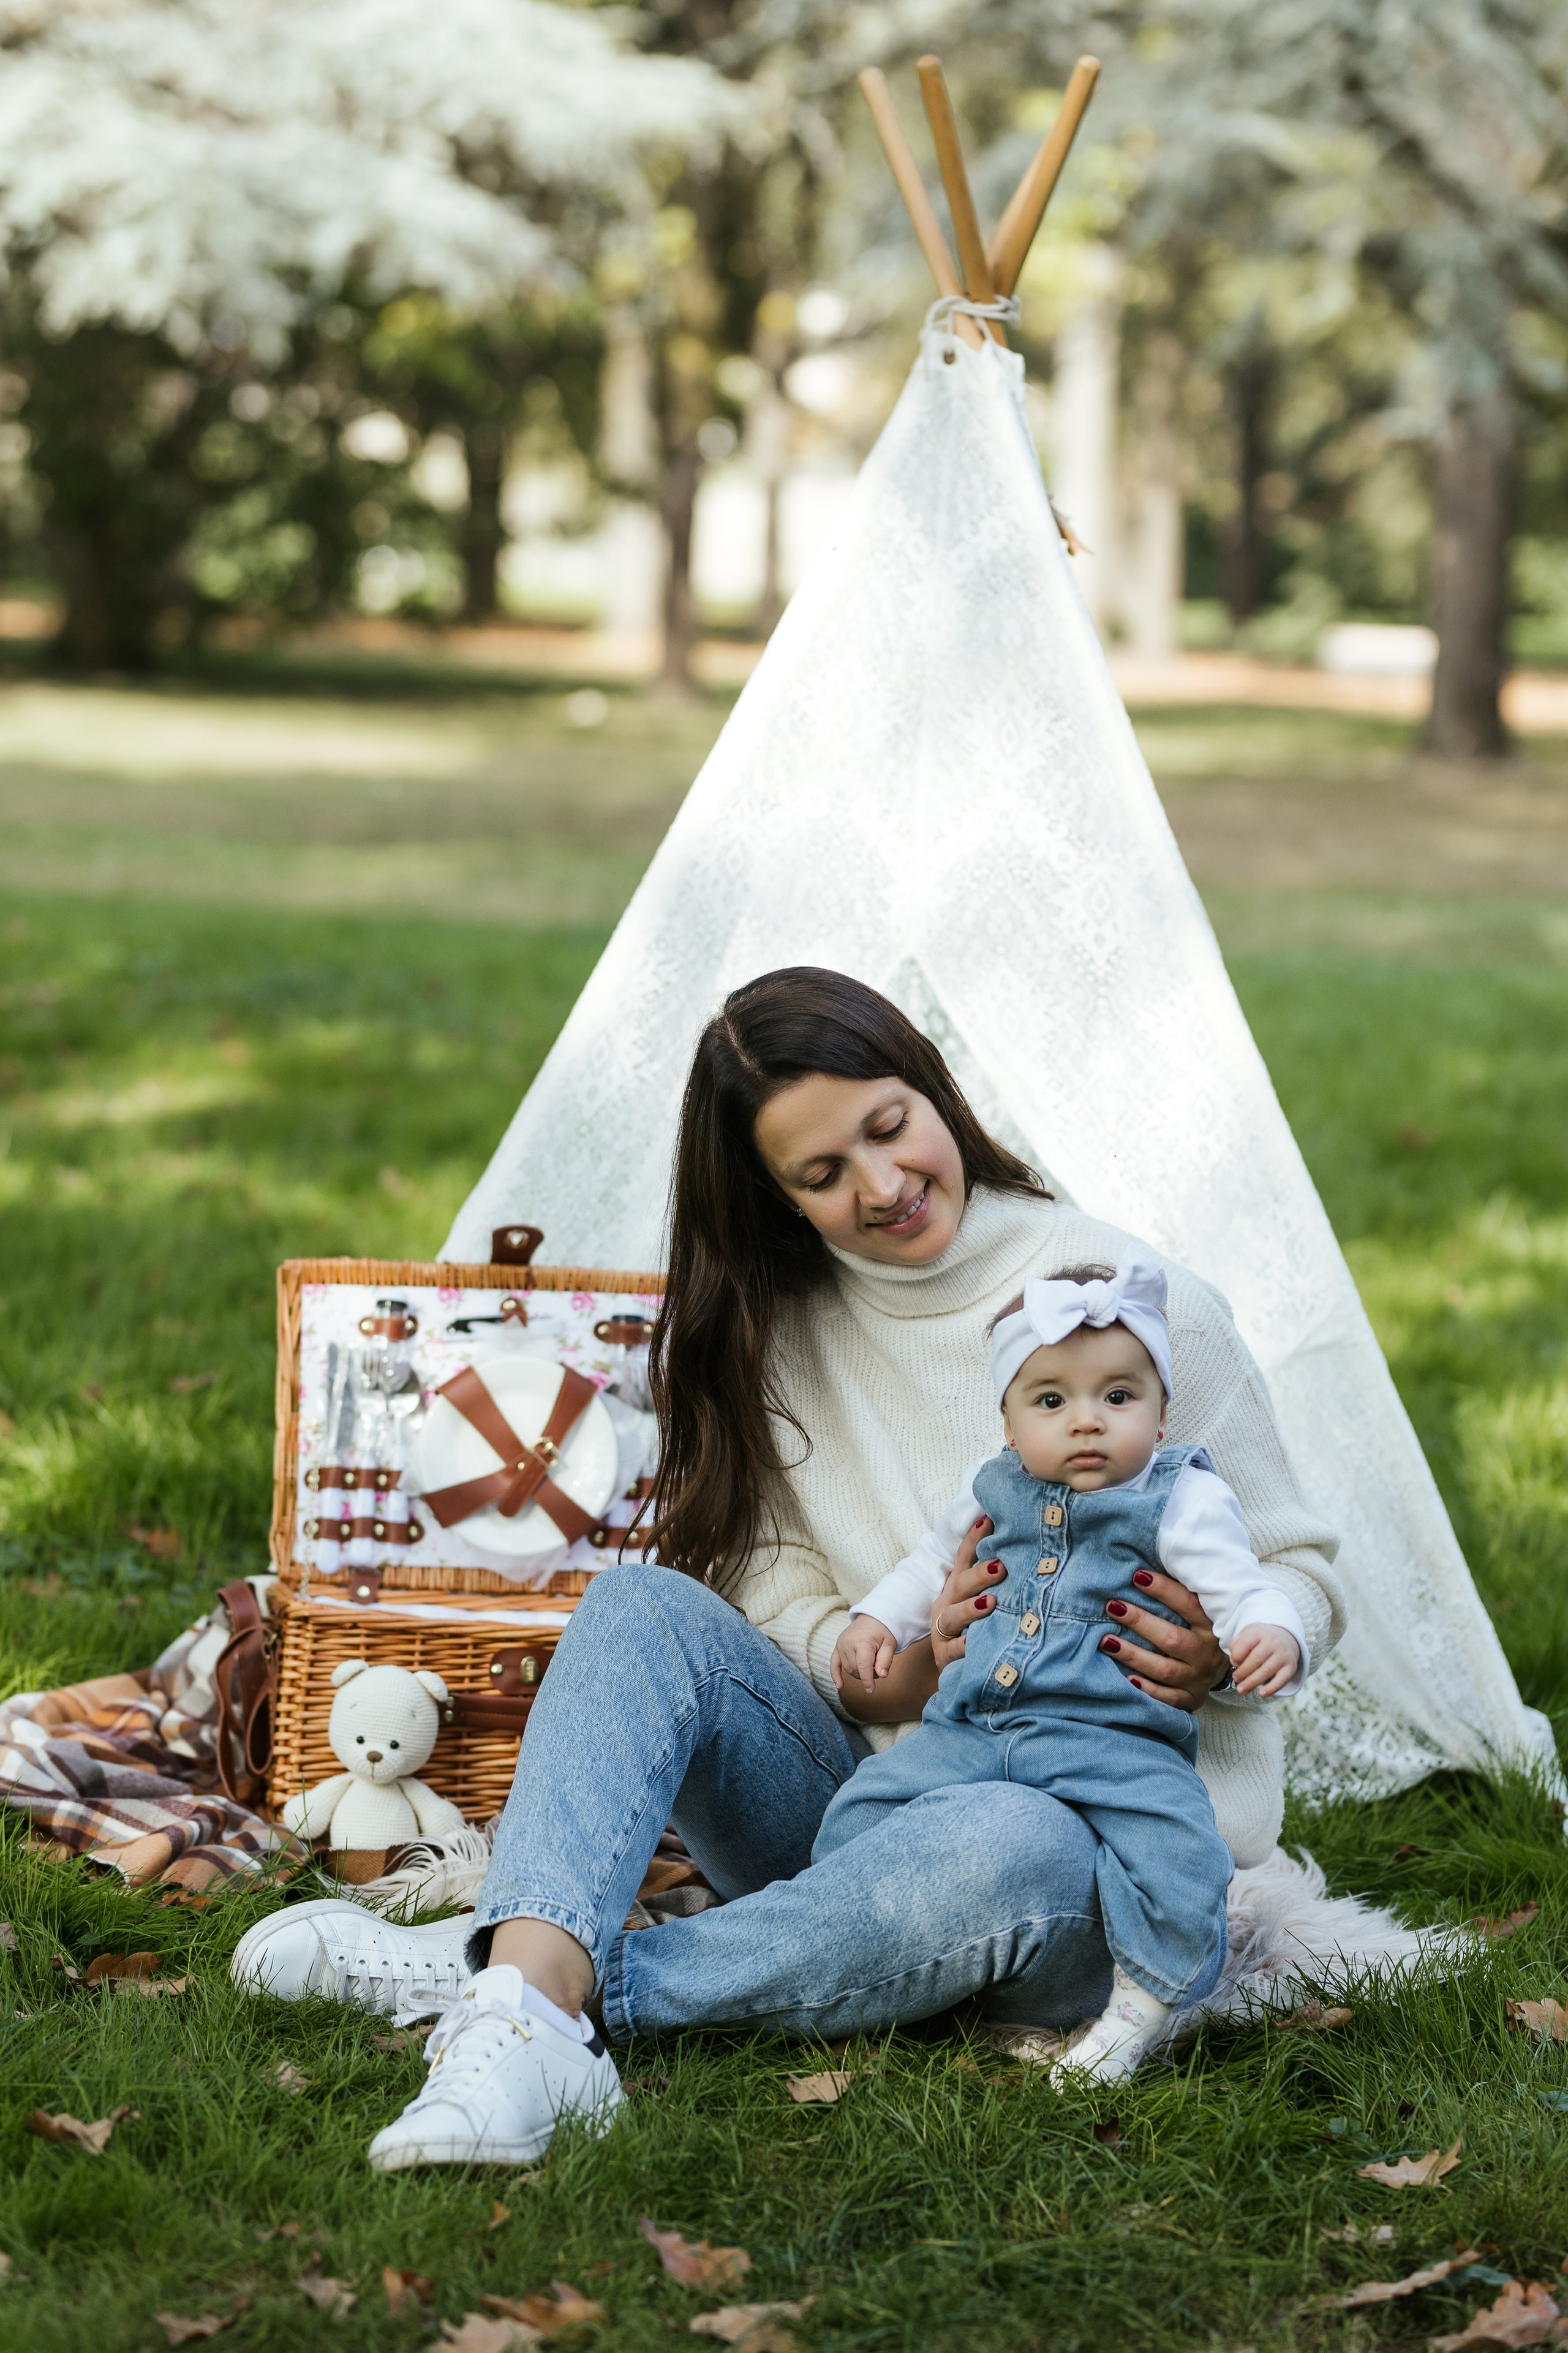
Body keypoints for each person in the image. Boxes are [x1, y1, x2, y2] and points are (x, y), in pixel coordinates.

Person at [232, 967, 1344, 2171]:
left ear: (935, 1090)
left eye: (890, 1125)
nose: (883, 1184)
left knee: (1009, 1833)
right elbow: (767, 1583)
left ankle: (520, 1979)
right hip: (866, 1799)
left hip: (1096, 1854)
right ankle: (534, 1981)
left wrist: (1219, 1647)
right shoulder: (780, 1325)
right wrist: (892, 1671)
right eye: (822, 1174)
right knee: (641, 1604)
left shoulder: (1134, 1307)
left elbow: (1302, 1568)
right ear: (775, 1197)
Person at [822, 1248, 1310, 2085]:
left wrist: (1270, 1633)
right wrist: (875, 1619)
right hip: (972, 1727)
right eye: (1053, 1400)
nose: (1087, 1421)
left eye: (1118, 1397)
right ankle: (857, 1943)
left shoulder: (1182, 1500)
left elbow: (1243, 1586)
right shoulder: (991, 1487)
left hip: (1113, 1741)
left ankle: (1139, 2009)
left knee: (1179, 1852)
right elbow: (927, 1564)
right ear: (1010, 1425)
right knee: (862, 1808)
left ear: (1161, 1417)